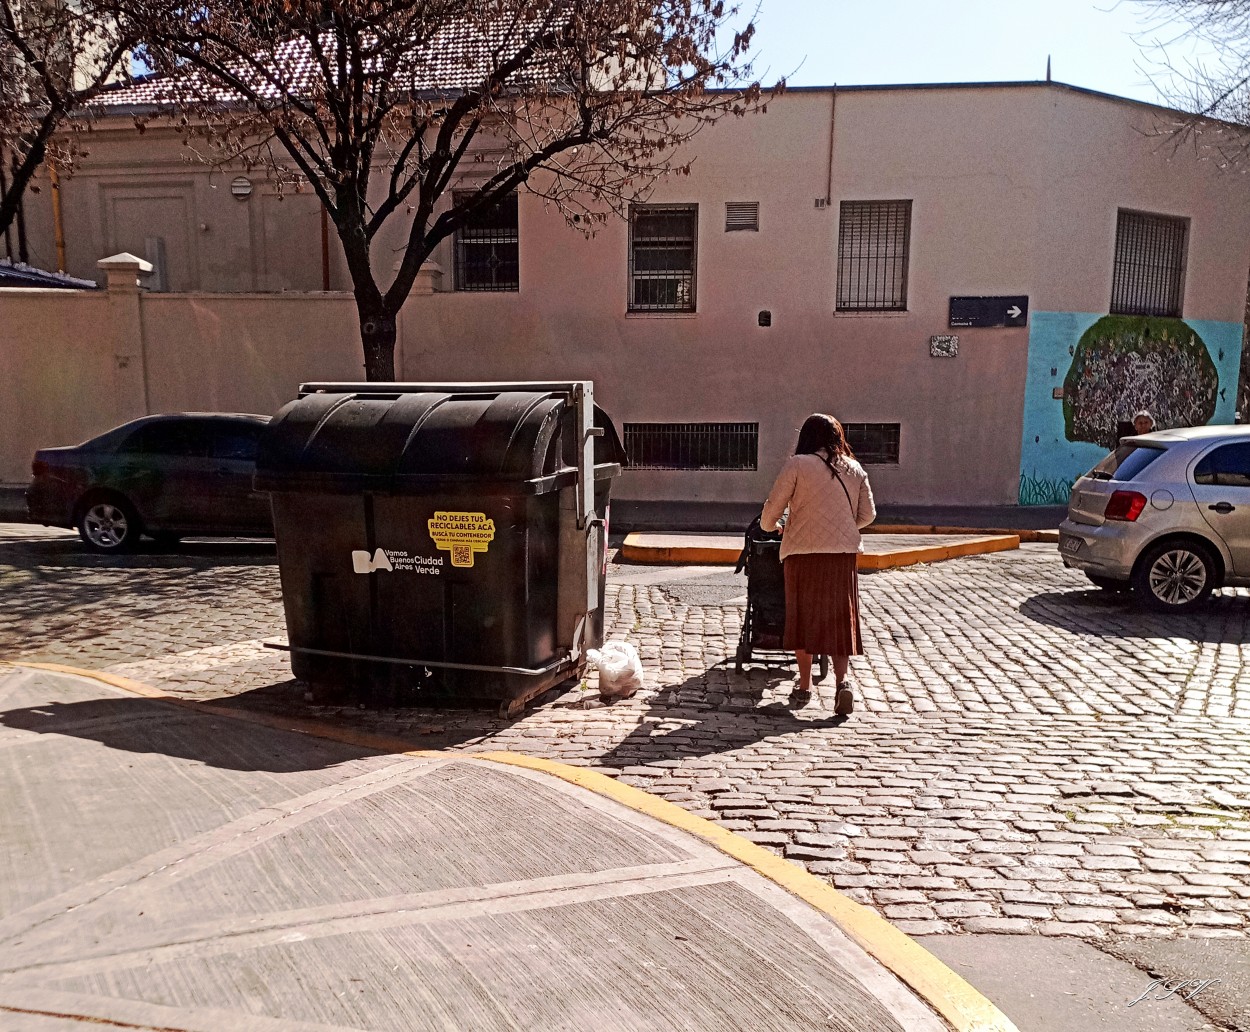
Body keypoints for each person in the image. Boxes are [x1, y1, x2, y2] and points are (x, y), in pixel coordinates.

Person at [761, 414, 876, 713]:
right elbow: (868, 515)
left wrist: (772, 526)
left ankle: (804, 685)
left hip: (803, 553)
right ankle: (842, 683)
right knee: (840, 619)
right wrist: (844, 525)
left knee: (802, 617)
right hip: (842, 557)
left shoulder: (797, 464)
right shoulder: (855, 468)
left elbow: (773, 508)